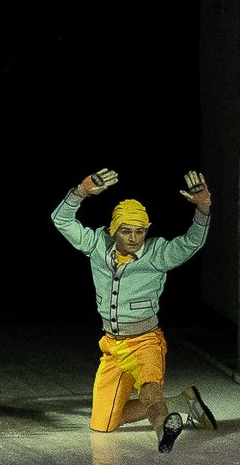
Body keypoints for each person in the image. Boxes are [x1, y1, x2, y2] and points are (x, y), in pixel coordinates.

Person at [52, 166, 216, 446]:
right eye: (126, 231)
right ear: (114, 230)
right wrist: (80, 192)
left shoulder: (157, 254)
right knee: (102, 425)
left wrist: (202, 209)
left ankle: (163, 428)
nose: (133, 238)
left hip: (145, 341)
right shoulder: (96, 245)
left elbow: (191, 243)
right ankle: (181, 401)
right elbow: (61, 220)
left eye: (140, 231)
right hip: (112, 347)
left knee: (149, 389)